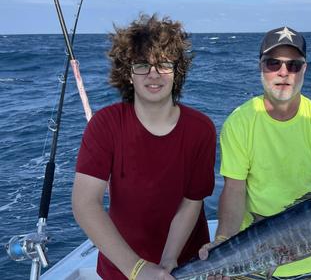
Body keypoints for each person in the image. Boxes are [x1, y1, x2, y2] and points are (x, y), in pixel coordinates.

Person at [72, 14, 216, 280]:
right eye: (142, 65)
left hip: (189, 267)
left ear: (177, 71)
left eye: (163, 64)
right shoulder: (105, 125)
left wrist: (167, 262)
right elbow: (85, 203)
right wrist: (137, 269)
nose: (153, 74)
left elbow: (192, 201)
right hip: (121, 268)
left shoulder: (201, 128)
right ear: (128, 73)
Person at [199, 26, 311, 279]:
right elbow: (234, 189)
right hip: (252, 257)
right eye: (273, 63)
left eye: (293, 65)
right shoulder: (240, 122)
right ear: (261, 66)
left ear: (304, 69)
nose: (283, 72)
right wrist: (223, 240)